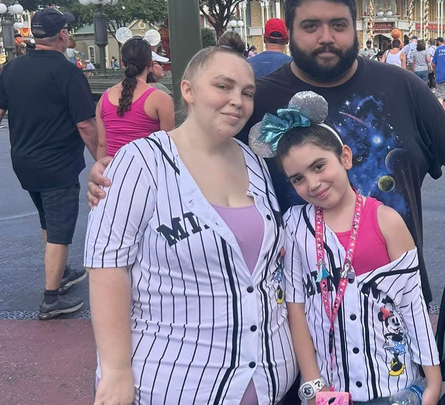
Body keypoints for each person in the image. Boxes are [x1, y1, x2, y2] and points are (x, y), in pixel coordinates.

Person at [87, 0, 445, 309]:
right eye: (311, 26)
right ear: (291, 31)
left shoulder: (403, 87)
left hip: (392, 292)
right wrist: (121, 172)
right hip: (295, 300)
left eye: (338, 25)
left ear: (355, 27)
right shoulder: (258, 99)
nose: (326, 37)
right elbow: (198, 148)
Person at [85, 33, 297, 405]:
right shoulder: (140, 162)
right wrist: (115, 369)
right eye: (223, 86)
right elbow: (107, 266)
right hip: (175, 380)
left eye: (247, 93)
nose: (237, 101)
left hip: (267, 380)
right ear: (188, 90)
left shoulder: (254, 162)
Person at [248, 92, 442, 404]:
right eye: (298, 178)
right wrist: (313, 384)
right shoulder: (294, 226)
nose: (313, 184)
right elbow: (295, 308)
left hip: (392, 387)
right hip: (330, 388)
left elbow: (412, 304)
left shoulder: (387, 221)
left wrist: (432, 382)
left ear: (345, 157)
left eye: (319, 166)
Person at [0, 8, 98, 320]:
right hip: (57, 164)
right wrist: (103, 159)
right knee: (60, 229)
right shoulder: (67, 72)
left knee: (47, 219)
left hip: (24, 162)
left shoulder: (12, 68)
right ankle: (51, 299)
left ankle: (62, 271)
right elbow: (85, 125)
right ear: (62, 35)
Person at [97, 38, 175, 159]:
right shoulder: (160, 99)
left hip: (113, 168)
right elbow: (168, 145)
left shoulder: (104, 98)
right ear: (150, 63)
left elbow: (102, 144)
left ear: (122, 63)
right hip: (148, 168)